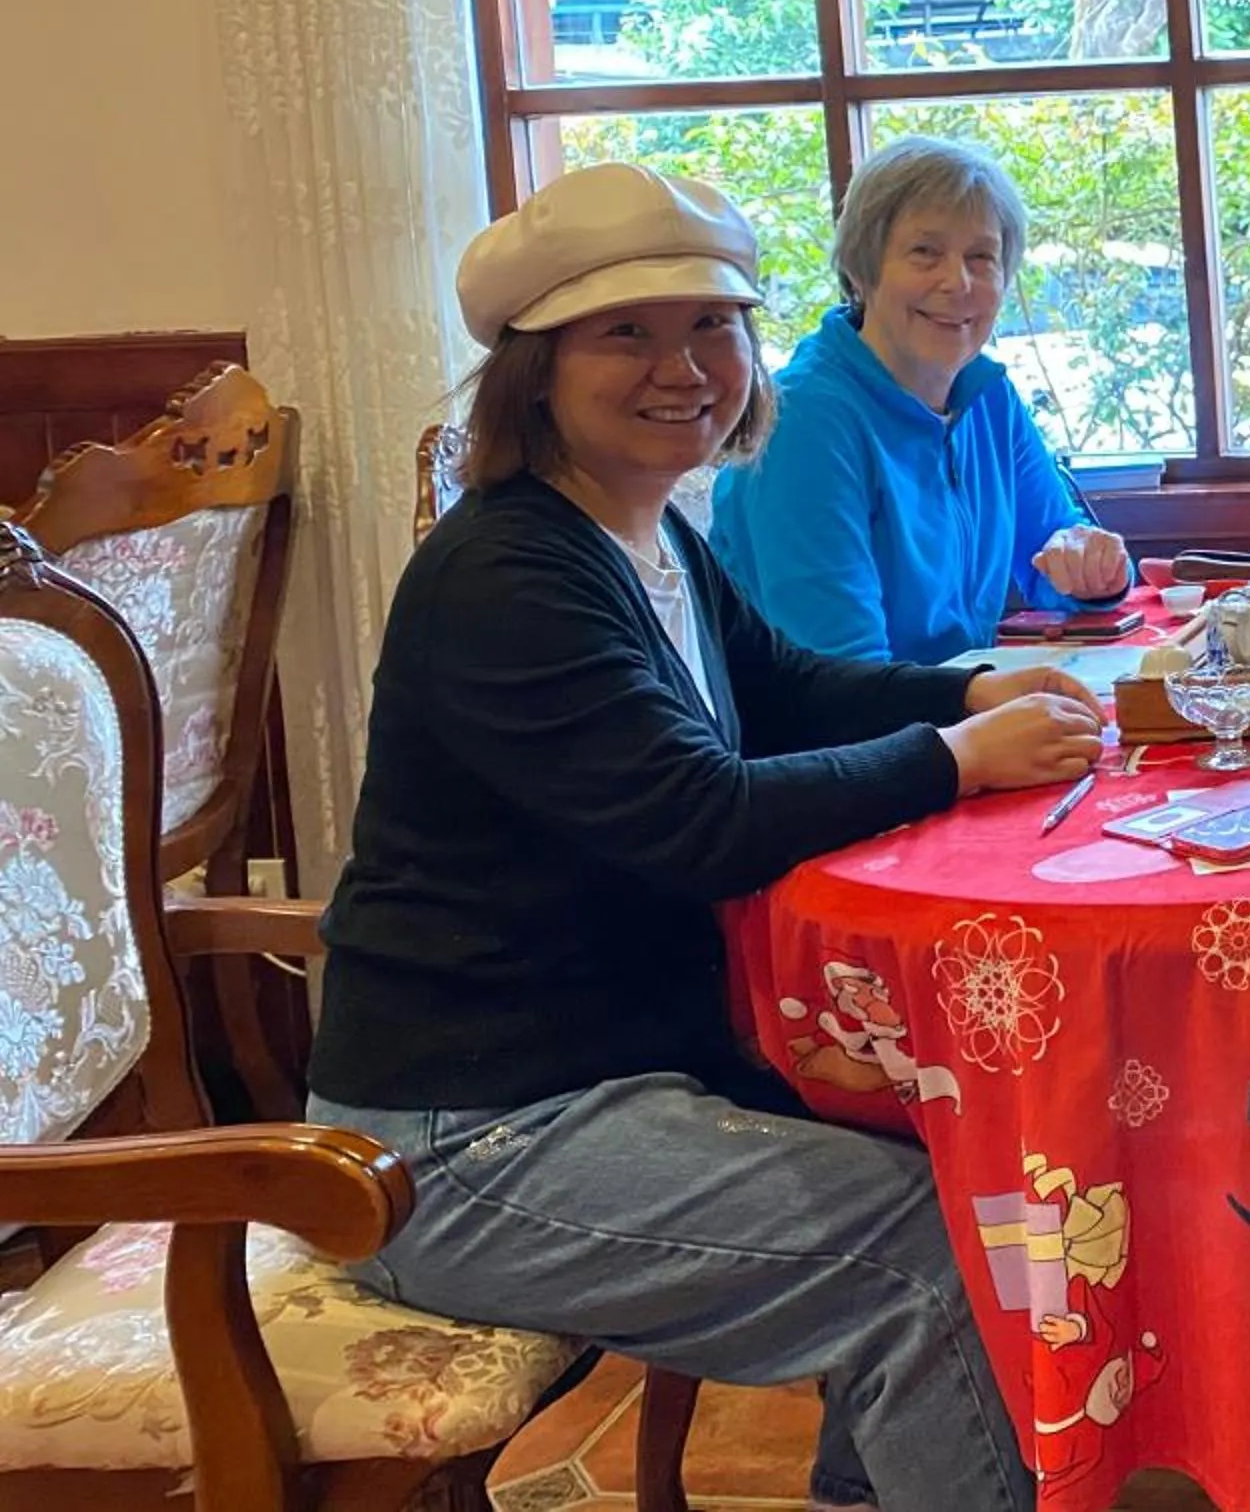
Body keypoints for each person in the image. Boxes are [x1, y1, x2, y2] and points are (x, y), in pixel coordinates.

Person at [308, 161, 1113, 1512]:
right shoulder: (509, 573)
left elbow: (786, 684)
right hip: (458, 1140)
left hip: (602, 1076)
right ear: (535, 370)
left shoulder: (643, 536)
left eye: (712, 327)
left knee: (971, 1159)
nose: (682, 368)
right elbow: (701, 820)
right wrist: (956, 757)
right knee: (923, 1253)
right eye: (627, 332)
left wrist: (965, 690)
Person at [714, 135, 1130, 661]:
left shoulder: (989, 397)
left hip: (942, 700)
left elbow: (1054, 559)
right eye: (924, 253)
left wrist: (1094, 568)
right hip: (836, 711)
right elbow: (841, 674)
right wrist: (980, 701)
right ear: (861, 270)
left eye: (981, 257)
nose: (958, 282)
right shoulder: (801, 421)